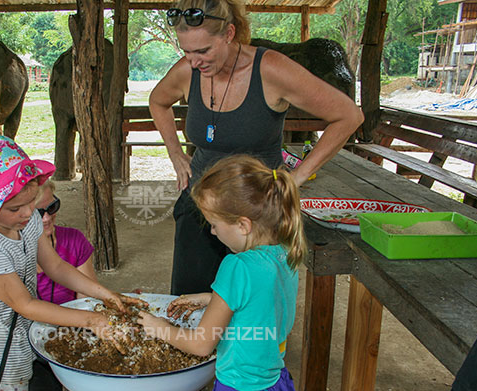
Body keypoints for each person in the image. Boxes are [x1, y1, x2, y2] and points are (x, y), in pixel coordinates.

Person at [149, 0, 364, 295]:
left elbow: (349, 116)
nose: (194, 61)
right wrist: (175, 153)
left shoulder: (271, 69)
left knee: (252, 302)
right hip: (200, 203)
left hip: (258, 211)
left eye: (203, 51)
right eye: (186, 52)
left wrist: (297, 177)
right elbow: (158, 101)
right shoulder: (188, 70)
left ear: (228, 34)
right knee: (190, 301)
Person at [0, 135, 142, 391]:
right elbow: (25, 304)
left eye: (32, 202)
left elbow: (54, 265)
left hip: (25, 335)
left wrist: (105, 295)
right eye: (16, 208)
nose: (28, 214)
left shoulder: (26, 221)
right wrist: (93, 319)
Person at [138, 154, 306, 391]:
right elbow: (260, 303)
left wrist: (160, 328)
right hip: (275, 383)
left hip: (240, 388)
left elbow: (201, 344)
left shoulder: (237, 266)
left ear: (243, 225)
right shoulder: (286, 253)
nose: (213, 232)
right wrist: (211, 298)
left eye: (214, 224)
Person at [27, 180, 99, 391]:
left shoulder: (74, 240)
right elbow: (23, 308)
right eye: (38, 213)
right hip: (27, 347)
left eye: (52, 208)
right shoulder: (12, 250)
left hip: (71, 335)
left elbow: (86, 302)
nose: (47, 218)